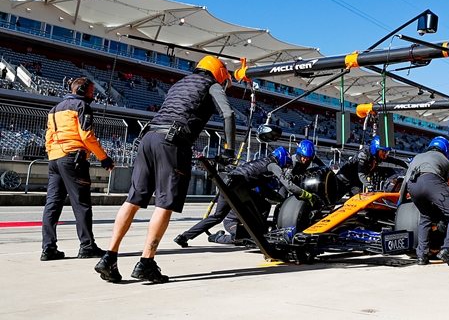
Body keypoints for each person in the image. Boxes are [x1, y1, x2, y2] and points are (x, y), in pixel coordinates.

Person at [94, 55, 236, 283]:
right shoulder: (212, 85)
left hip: (149, 138)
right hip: (172, 143)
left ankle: (109, 257)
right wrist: (229, 150)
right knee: (164, 203)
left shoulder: (180, 83)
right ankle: (147, 262)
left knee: (133, 200)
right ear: (218, 72)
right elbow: (228, 114)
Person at [173, 147, 313, 247]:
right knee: (263, 206)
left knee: (216, 217)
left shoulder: (259, 162)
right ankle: (257, 232)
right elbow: (286, 185)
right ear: (281, 158)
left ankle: (184, 237)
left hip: (226, 185)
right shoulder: (272, 165)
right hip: (237, 190)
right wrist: (303, 194)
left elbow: (264, 188)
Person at [41, 77, 115, 261]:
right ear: (82, 90)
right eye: (91, 90)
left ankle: (48, 248)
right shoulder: (82, 107)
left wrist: (54, 155)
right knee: (81, 204)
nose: (93, 94)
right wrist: (104, 158)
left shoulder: (54, 110)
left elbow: (48, 137)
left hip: (55, 159)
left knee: (52, 204)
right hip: (74, 159)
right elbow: (86, 135)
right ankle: (87, 246)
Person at [399, 136, 449, 272]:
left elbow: (405, 181)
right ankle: (448, 249)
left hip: (413, 185)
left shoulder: (418, 156)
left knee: (425, 216)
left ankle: (421, 256)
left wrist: (400, 203)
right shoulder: (445, 161)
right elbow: (443, 187)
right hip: (431, 180)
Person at [334, 135, 408, 198]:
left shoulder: (378, 156)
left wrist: (409, 166)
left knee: (356, 202)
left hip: (356, 182)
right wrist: (369, 186)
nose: (386, 154)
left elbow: (395, 161)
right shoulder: (363, 155)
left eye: (387, 152)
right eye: (384, 151)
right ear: (376, 149)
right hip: (343, 179)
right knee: (334, 199)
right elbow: (361, 174)